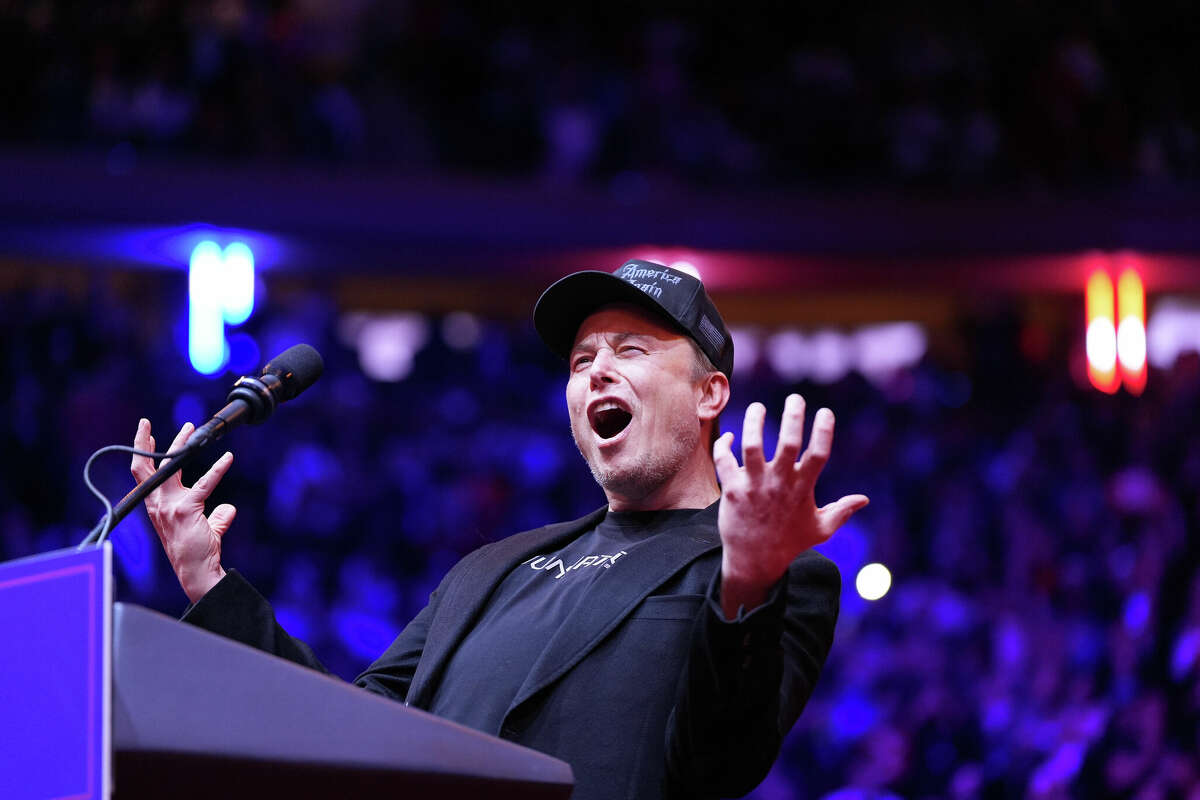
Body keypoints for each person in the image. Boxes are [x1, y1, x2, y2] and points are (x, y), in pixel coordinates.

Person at [131, 259, 869, 800]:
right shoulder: (492, 569)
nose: (597, 373)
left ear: (710, 394)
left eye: (632, 351)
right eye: (582, 361)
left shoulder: (777, 574)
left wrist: (745, 583)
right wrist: (208, 579)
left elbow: (718, 766)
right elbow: (345, 728)